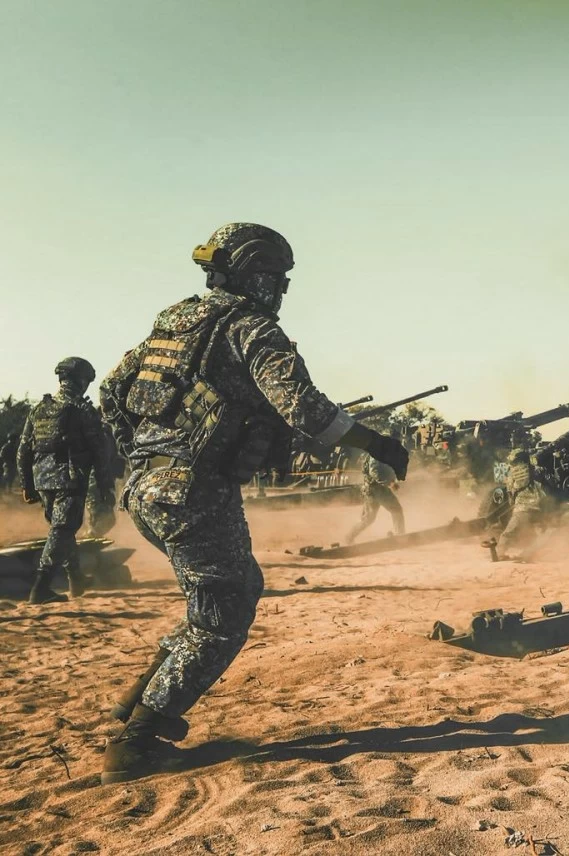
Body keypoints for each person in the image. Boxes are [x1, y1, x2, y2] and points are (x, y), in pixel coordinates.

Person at [97, 222, 410, 783]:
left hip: (148, 487)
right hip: (196, 491)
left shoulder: (172, 323)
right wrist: (379, 443)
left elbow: (113, 392)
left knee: (220, 597)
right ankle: (138, 742)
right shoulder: (250, 328)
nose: (281, 291)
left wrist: (143, 455)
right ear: (251, 274)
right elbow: (307, 410)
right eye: (276, 278)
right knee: (225, 614)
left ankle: (137, 702)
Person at [16, 358, 115, 603]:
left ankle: (75, 578)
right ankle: (41, 587)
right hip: (70, 480)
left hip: (43, 481)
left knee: (63, 529)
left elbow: (23, 450)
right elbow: (99, 451)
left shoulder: (39, 408)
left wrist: (27, 484)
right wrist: (105, 485)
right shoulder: (83, 410)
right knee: (62, 530)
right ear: (82, 381)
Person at [345, 425, 406, 543]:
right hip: (378, 489)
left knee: (368, 519)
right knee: (396, 510)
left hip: (371, 489)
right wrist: (389, 483)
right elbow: (374, 471)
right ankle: (400, 537)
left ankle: (349, 536)